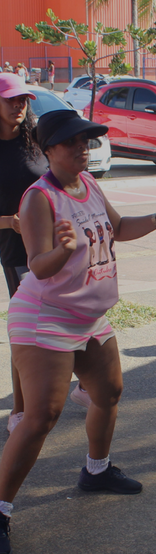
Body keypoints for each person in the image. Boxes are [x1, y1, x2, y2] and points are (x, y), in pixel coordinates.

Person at [0, 108, 156, 554]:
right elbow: (37, 266)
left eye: (86, 140)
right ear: (48, 149)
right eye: (72, 142)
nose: (82, 148)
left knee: (109, 392)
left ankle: (96, 470)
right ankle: (1, 509)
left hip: (89, 315)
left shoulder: (88, 185)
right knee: (41, 416)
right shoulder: (39, 199)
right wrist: (63, 249)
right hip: (45, 317)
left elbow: (119, 228)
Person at [0, 73, 48, 434]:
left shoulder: (36, 141)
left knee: (58, 314)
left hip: (44, 243)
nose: (19, 106)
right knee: (24, 326)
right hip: (14, 247)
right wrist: (10, 221)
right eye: (11, 100)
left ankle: (85, 381)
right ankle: (18, 409)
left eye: (23, 100)